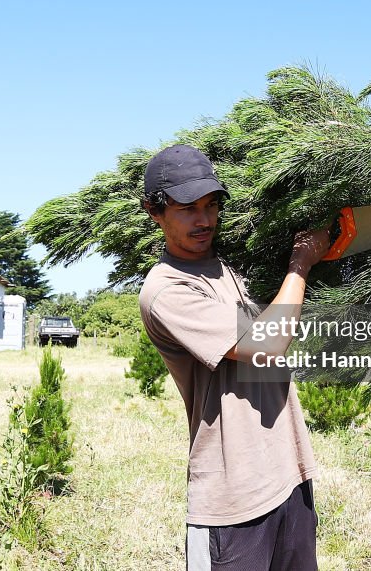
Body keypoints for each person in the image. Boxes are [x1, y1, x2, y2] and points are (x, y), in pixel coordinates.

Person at [138, 144, 331, 571]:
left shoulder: (229, 269)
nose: (204, 220)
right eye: (188, 208)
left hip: (288, 473)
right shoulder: (167, 291)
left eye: (211, 205)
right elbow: (267, 342)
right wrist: (300, 265)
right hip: (232, 499)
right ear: (155, 212)